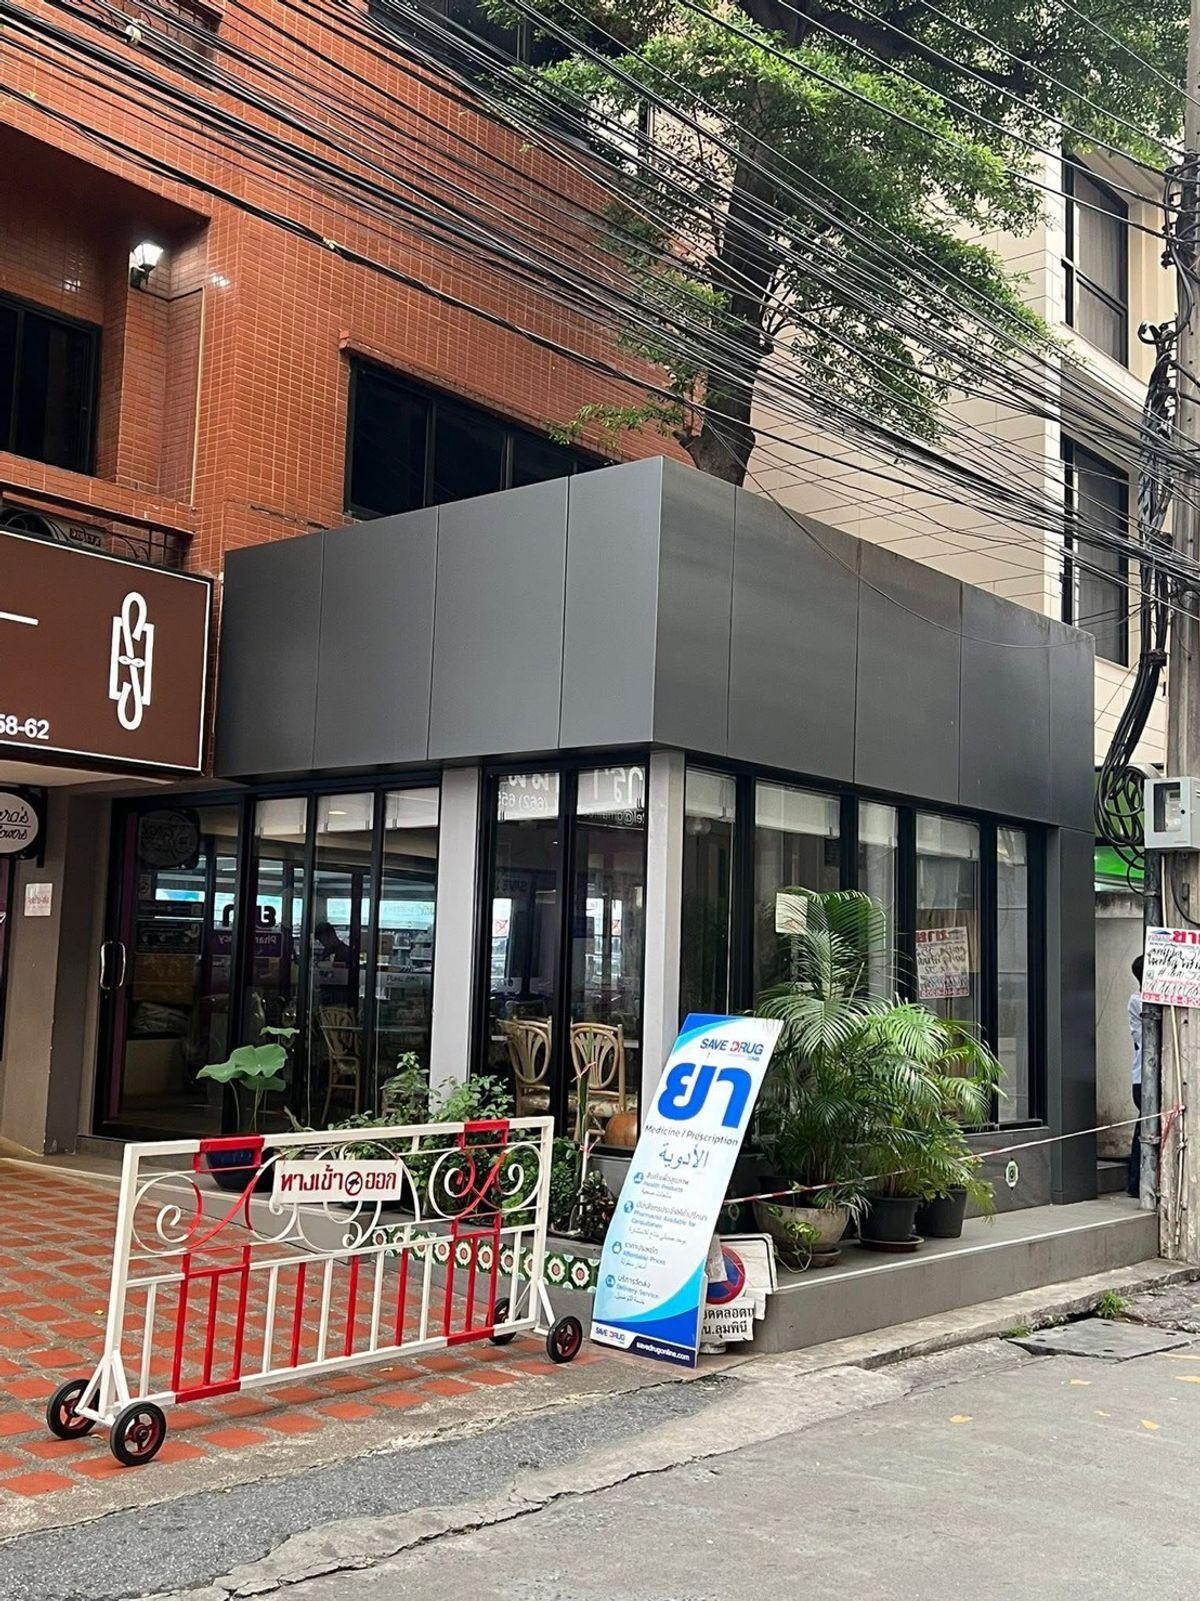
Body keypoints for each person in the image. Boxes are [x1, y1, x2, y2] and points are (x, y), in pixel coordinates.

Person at [1128, 955, 1144, 1198]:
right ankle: (1136, 1181)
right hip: (1144, 1078)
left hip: (1143, 1077)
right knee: (1145, 1131)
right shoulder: (1137, 1001)